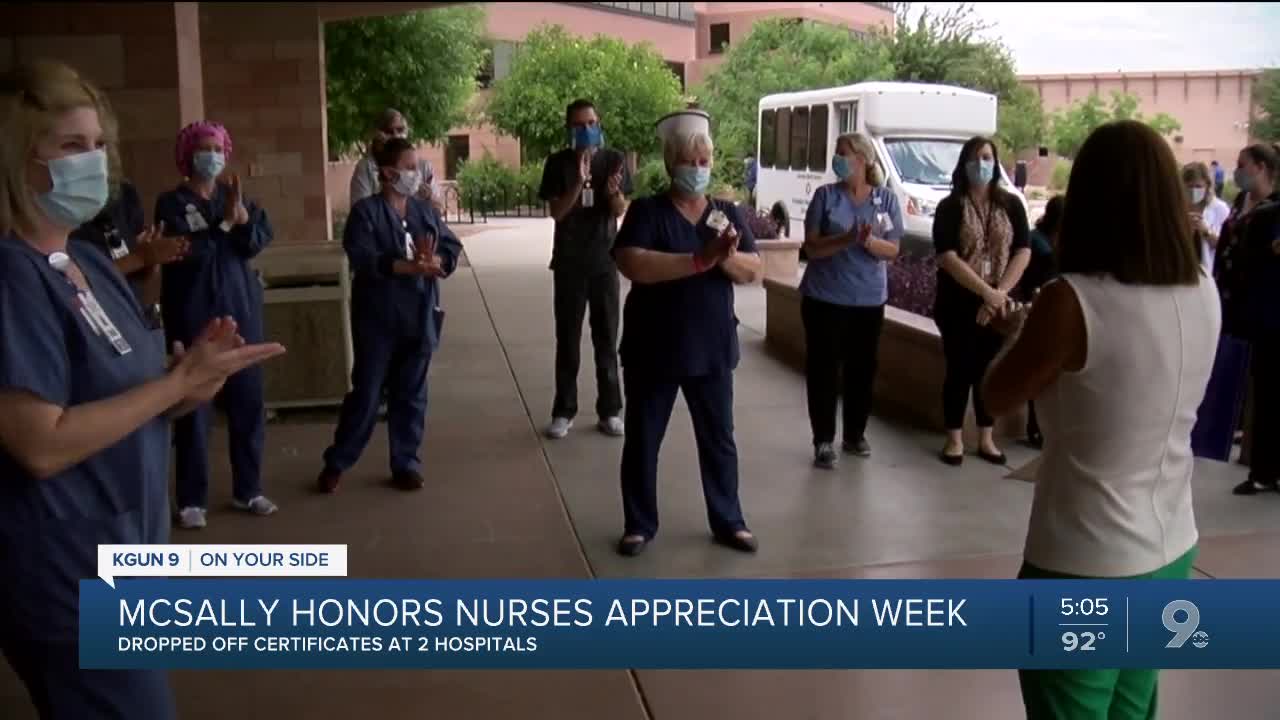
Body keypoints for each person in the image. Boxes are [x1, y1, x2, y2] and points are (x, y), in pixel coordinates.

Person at [0, 59, 284, 720]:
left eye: (98, 145)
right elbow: (39, 444)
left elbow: (133, 398)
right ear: (18, 161)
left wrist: (194, 380)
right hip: (67, 576)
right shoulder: (15, 279)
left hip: (128, 558)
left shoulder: (88, 262)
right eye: (71, 147)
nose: (92, 162)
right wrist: (173, 386)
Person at [982, 119, 1218, 720]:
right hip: (1170, 550)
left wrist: (1020, 334)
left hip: (1085, 564)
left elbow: (994, 397)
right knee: (1133, 710)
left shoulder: (1073, 301)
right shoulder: (1204, 288)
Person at [611, 110, 763, 557]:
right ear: (670, 161)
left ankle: (728, 520)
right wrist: (698, 260)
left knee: (719, 439)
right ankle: (638, 523)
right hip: (653, 349)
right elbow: (632, 262)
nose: (697, 170)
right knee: (643, 439)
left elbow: (753, 269)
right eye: (688, 161)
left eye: (703, 161)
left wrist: (722, 257)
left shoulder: (726, 214)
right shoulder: (647, 212)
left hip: (711, 349)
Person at [317, 137, 463, 492]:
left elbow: (449, 246)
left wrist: (437, 262)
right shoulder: (365, 213)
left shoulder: (422, 212)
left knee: (412, 394)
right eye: (410, 168)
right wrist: (407, 267)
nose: (417, 175)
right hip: (378, 321)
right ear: (387, 172)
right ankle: (338, 460)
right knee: (367, 395)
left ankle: (406, 463)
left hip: (419, 316)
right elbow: (365, 259)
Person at [156, 121, 279, 529]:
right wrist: (224, 225)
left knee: (247, 403)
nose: (211, 155)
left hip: (240, 311)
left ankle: (250, 489)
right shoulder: (172, 204)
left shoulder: (236, 198)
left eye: (217, 147)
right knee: (195, 409)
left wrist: (241, 221)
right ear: (187, 155)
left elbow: (257, 240)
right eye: (203, 148)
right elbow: (186, 250)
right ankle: (191, 499)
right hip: (193, 314)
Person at [799, 132, 903, 468]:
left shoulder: (885, 201)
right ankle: (823, 440)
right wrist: (846, 239)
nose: (838, 159)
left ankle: (855, 434)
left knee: (862, 370)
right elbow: (812, 248)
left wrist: (869, 242)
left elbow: (893, 250)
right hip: (825, 299)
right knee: (824, 371)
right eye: (837, 154)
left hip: (868, 301)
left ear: (863, 159)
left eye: (844, 154)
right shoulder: (825, 196)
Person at [931, 136, 1031, 465]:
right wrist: (984, 292)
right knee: (960, 368)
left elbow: (1023, 250)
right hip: (958, 301)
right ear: (964, 164)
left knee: (988, 369)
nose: (982, 164)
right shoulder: (951, 207)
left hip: (999, 303)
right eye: (975, 159)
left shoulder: (1011, 205)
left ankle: (987, 437)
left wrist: (998, 293)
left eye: (988, 157)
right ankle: (955, 438)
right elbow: (947, 256)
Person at [539, 99, 631, 440]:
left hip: (605, 263)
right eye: (579, 125)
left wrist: (613, 193)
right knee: (568, 341)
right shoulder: (557, 163)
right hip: (568, 264)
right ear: (569, 129)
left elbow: (620, 209)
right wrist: (578, 183)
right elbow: (557, 213)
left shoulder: (615, 160)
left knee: (606, 339)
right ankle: (564, 410)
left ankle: (610, 410)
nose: (587, 129)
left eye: (591, 122)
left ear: (599, 123)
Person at [1215, 143, 1280, 495]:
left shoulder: (1274, 210)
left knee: (1272, 393)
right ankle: (1262, 467)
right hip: (1242, 311)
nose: (1237, 172)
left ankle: (1268, 469)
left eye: (1242, 165)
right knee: (1259, 393)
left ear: (1260, 167)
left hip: (1272, 314)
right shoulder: (1240, 206)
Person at [71, 178, 189, 334]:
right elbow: (74, 284)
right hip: (92, 322)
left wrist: (152, 260)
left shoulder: (124, 193)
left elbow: (139, 277)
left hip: (130, 315)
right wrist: (141, 257)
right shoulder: (63, 207)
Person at [1017, 194, 1063, 449]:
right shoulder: (1043, 247)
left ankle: (1039, 428)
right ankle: (1037, 428)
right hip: (1037, 309)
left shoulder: (1041, 239)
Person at [349, 108, 439, 210]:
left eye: (400, 130)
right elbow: (360, 213)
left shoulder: (423, 166)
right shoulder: (366, 168)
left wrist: (429, 198)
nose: (396, 135)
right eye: (389, 131)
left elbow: (438, 208)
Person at [1182, 161, 1231, 274]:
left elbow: (1225, 247)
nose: (1193, 190)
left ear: (1207, 185)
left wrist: (1205, 231)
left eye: (1198, 186)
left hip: (1208, 273)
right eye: (1189, 186)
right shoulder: (1176, 208)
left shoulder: (1220, 208)